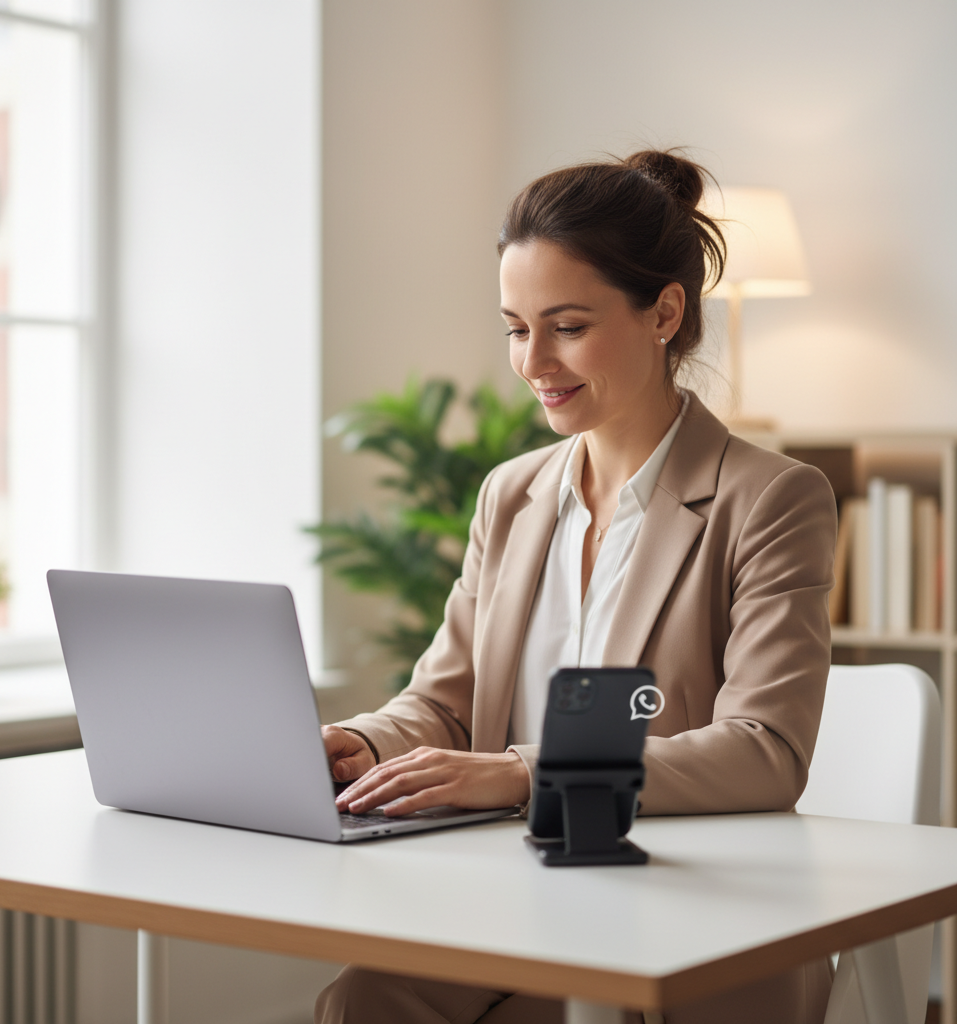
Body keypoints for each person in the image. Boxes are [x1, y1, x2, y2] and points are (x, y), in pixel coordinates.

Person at [314, 150, 837, 1024]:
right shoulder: (511, 494)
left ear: (664, 312)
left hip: (686, 911)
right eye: (516, 328)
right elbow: (445, 704)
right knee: (363, 1000)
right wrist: (363, 746)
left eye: (566, 326)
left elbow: (765, 751)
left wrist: (521, 773)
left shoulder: (771, 499)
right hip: (517, 894)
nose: (533, 362)